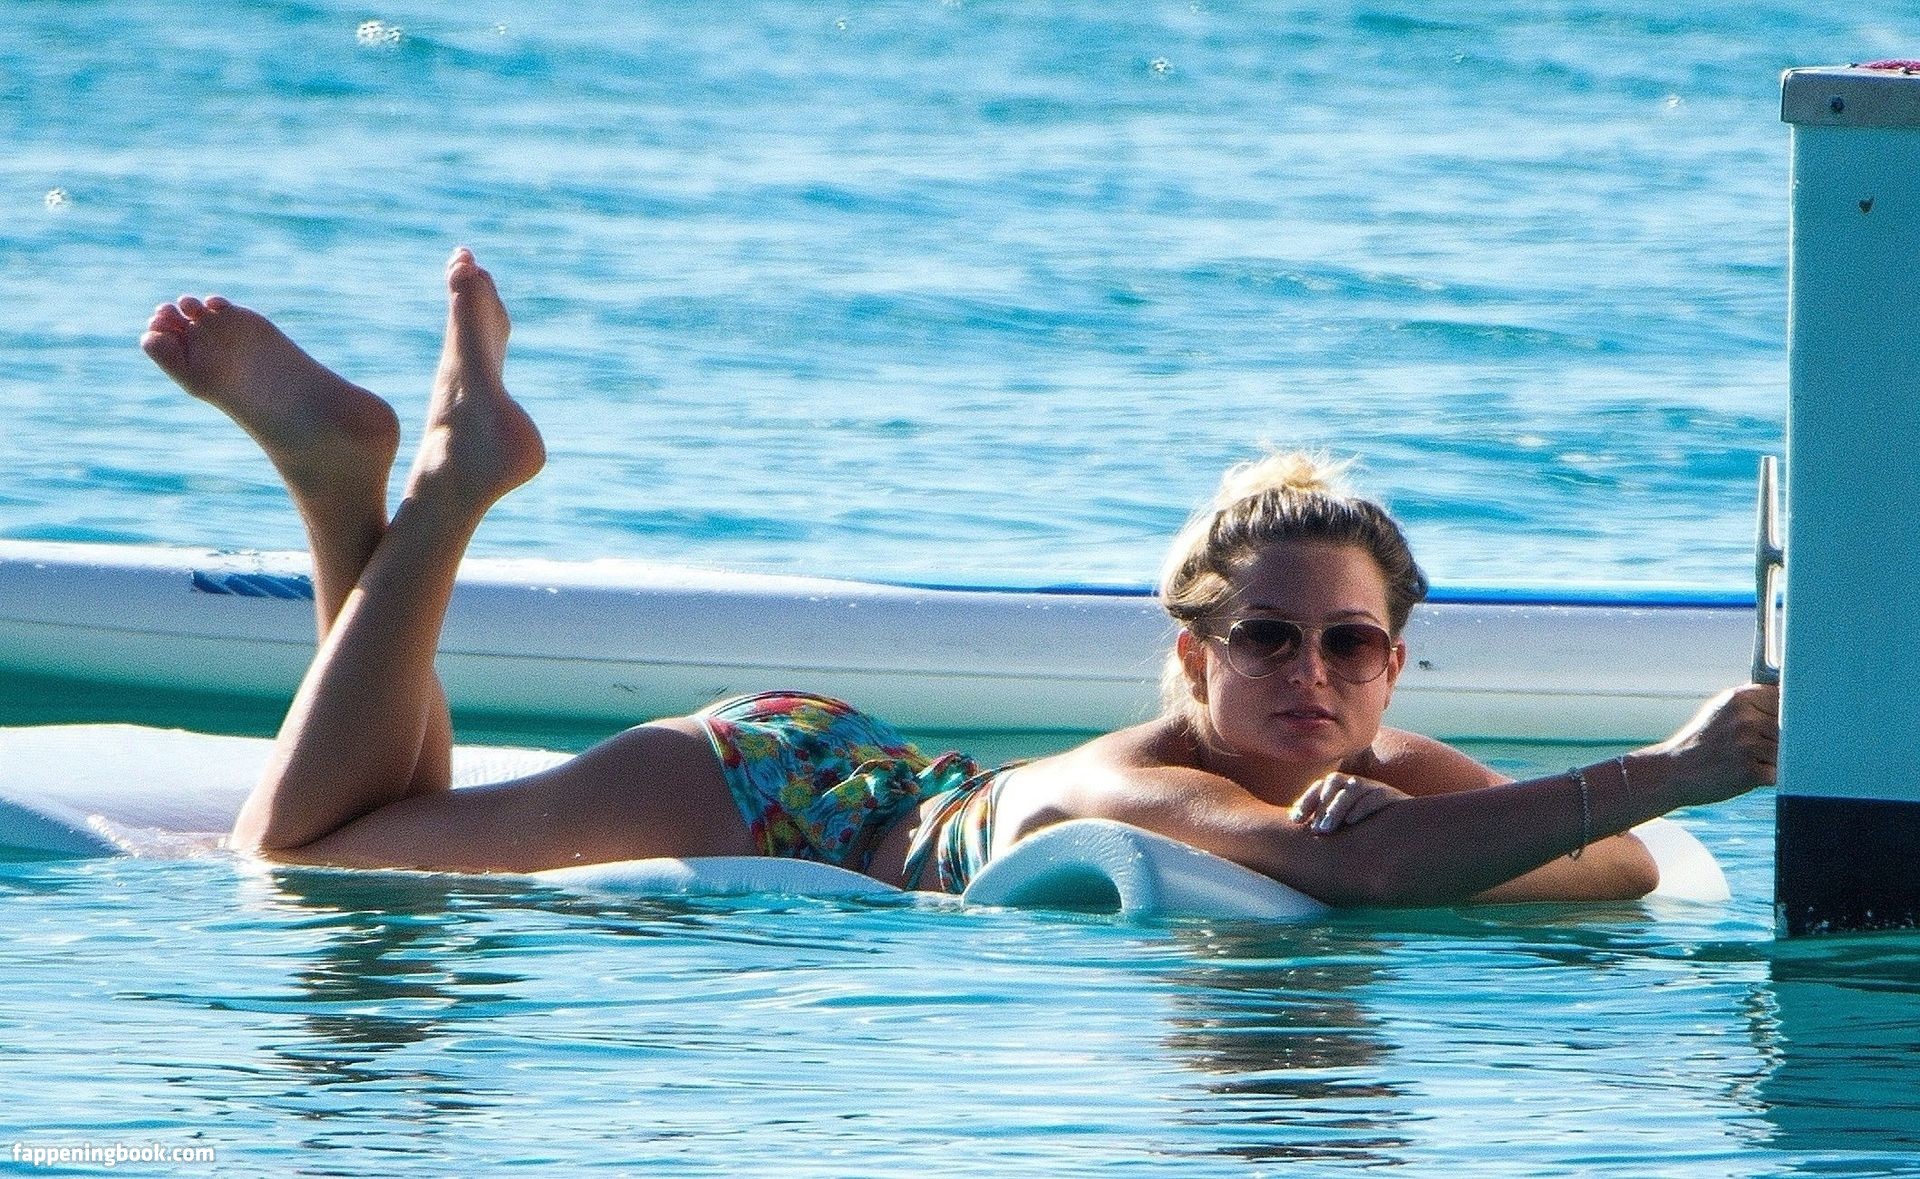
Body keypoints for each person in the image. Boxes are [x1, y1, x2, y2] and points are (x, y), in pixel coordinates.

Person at [140, 248, 1779, 906]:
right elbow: (1367, 874)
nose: (1313, 674)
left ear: (1395, 666)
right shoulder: (1155, 785)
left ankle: (341, 482)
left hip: (879, 768)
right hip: (767, 795)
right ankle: (444, 486)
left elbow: (1614, 870)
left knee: (383, 813)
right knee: (306, 858)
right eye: (1268, 638)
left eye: (1351, 646)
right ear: (1192, 656)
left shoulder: (1380, 768)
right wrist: (1677, 766)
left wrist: (1559, 818)